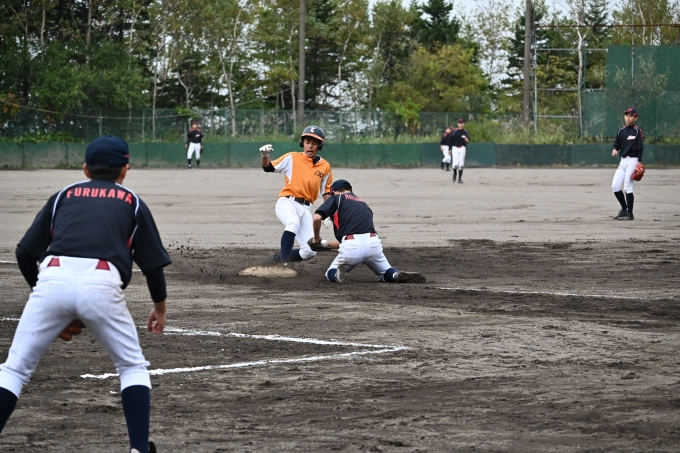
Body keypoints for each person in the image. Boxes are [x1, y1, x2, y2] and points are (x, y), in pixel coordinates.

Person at [0, 135, 170, 453]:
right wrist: (159, 309)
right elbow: (153, 266)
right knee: (132, 368)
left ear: (85, 169)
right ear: (125, 170)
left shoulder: (63, 195)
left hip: (52, 276)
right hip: (102, 283)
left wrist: (45, 295)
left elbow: (24, 252)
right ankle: (138, 449)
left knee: (14, 370)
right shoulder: (132, 201)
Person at [310, 179, 426, 284]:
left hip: (352, 247)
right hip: (373, 244)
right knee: (386, 271)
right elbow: (359, 239)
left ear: (333, 192)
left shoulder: (337, 198)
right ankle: (396, 275)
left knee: (330, 272)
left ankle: (336, 274)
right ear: (351, 190)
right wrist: (326, 244)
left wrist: (316, 239)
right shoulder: (363, 203)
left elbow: (316, 218)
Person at [260, 125, 333, 266]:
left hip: (306, 209)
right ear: (302, 143)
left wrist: (329, 211)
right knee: (293, 223)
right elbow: (268, 167)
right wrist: (265, 156)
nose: (310, 146)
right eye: (307, 142)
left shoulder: (325, 166)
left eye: (314, 143)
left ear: (320, 146)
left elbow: (326, 192)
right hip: (288, 202)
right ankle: (284, 266)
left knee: (310, 251)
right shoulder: (292, 158)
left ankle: (275, 259)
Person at [611, 107, 644, 221]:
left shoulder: (636, 131)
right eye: (626, 115)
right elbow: (617, 145)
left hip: (633, 160)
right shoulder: (621, 131)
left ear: (635, 118)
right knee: (615, 186)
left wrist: (639, 163)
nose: (628, 118)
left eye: (631, 116)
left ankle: (630, 213)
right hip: (623, 161)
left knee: (627, 187)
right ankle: (624, 209)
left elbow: (640, 148)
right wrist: (615, 150)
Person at [450, 118, 470, 183]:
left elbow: (468, 140)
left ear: (464, 124)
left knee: (461, 164)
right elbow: (451, 140)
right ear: (457, 124)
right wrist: (449, 149)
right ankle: (455, 173)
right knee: (455, 164)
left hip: (462, 148)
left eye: (462, 123)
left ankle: (460, 178)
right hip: (455, 148)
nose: (461, 124)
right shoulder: (454, 132)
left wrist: (467, 140)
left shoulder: (465, 132)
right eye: (459, 123)